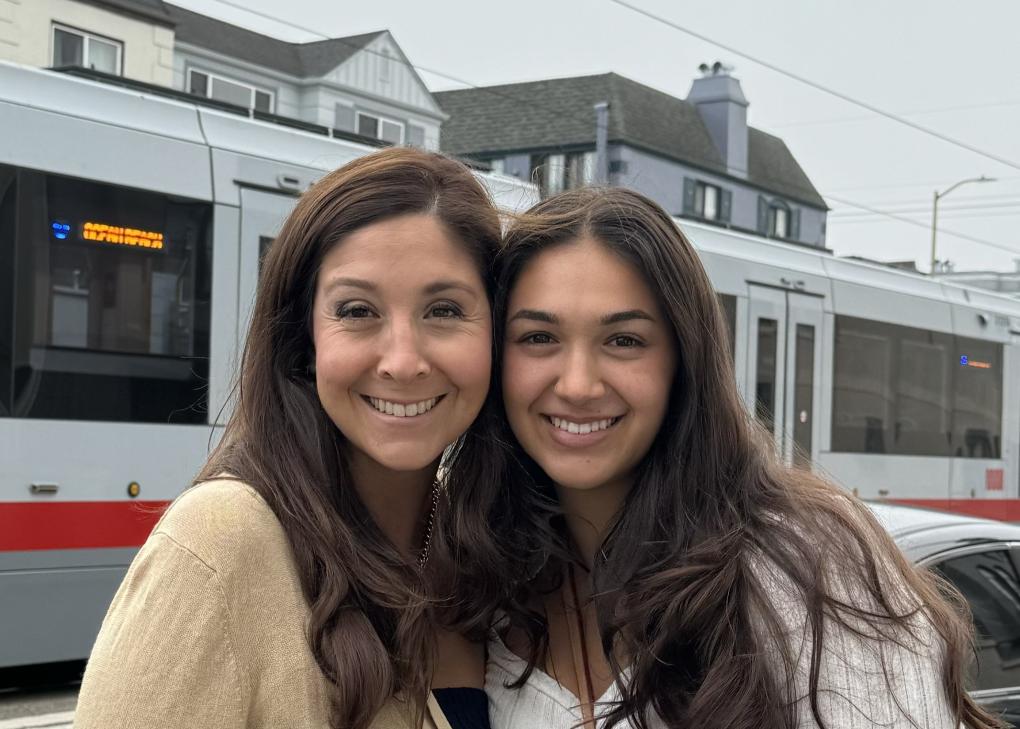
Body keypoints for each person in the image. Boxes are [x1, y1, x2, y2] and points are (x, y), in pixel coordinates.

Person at [483, 186, 1004, 729]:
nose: (578, 384)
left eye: (625, 340)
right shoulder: (480, 585)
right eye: (539, 337)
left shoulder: (809, 568)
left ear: (684, 361)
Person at [75, 148, 510, 729]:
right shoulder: (222, 541)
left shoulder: (480, 548)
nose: (403, 362)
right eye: (357, 310)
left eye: (445, 309)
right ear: (302, 340)